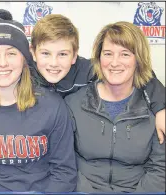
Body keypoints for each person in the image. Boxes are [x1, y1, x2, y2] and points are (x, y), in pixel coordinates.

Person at [0, 12, 165, 173]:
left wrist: (161, 106)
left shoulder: (88, 69)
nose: (53, 63)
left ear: (74, 56)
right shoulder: (17, 69)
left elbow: (137, 73)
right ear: (31, 53)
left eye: (62, 54)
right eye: (45, 53)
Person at [0, 9, 77, 192]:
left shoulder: (53, 106)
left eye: (11, 53)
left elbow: (64, 173)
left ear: (25, 59)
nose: (2, 63)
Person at [65, 21, 165, 193]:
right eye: (108, 54)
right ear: (98, 58)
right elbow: (65, 161)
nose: (114, 63)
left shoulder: (156, 109)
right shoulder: (73, 104)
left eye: (125, 54)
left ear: (138, 59)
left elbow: (160, 168)